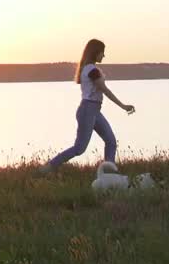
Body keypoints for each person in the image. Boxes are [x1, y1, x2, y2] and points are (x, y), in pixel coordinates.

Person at [39, 38, 135, 173]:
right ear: (95, 52)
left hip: (94, 111)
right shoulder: (92, 70)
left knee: (111, 141)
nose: (104, 55)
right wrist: (123, 106)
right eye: (102, 52)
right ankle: (48, 167)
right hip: (87, 111)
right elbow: (105, 90)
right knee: (79, 148)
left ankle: (109, 173)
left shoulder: (89, 69)